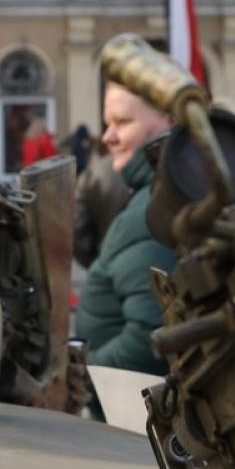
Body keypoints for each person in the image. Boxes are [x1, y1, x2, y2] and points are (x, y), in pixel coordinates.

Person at [72, 81, 174, 374]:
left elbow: (150, 336)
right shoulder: (157, 190)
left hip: (130, 409)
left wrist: (86, 379)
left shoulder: (156, 205)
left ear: (170, 120)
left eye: (123, 122)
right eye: (107, 124)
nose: (108, 137)